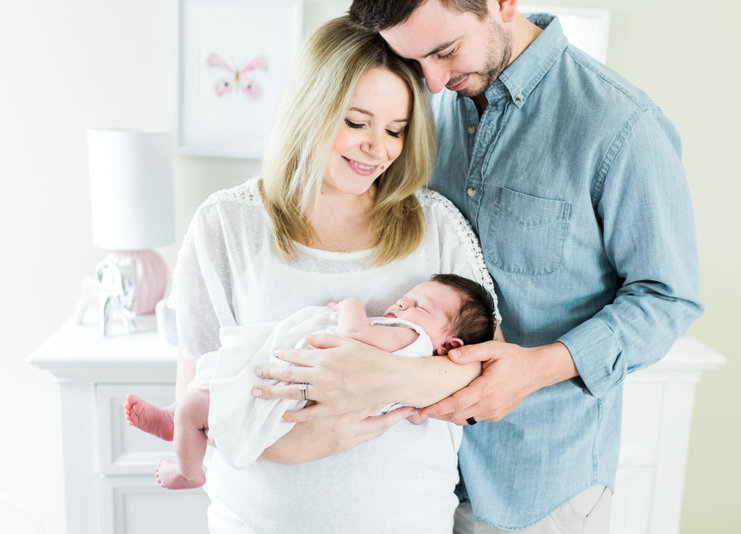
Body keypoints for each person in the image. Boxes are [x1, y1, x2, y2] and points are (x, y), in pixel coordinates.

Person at [256, 1, 704, 533]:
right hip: (405, 479)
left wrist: (537, 367)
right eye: (416, 60)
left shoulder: (620, 125)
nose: (435, 82)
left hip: (537, 485)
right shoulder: (415, 104)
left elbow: (667, 299)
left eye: (445, 52)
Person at [149, 15, 499, 534]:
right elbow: (200, 390)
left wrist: (381, 380)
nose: (377, 148)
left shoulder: (437, 226)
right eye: (356, 123)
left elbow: (486, 377)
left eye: (396, 130)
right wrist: (295, 445)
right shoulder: (227, 224)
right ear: (311, 108)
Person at [124, 274, 495, 488]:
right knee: (212, 378)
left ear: (450, 344)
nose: (402, 305)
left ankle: (189, 471)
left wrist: (349, 303)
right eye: (406, 298)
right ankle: (177, 421)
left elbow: (355, 330)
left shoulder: (410, 336)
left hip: (298, 391)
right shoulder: (417, 360)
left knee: (205, 398)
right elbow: (416, 409)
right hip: (307, 389)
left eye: (420, 306)